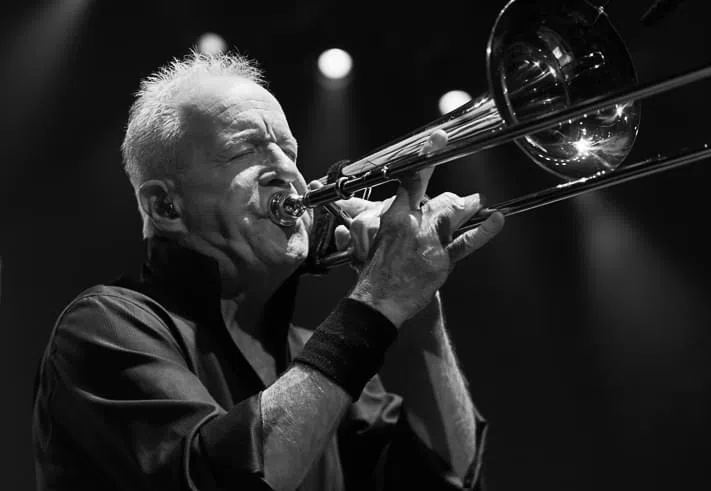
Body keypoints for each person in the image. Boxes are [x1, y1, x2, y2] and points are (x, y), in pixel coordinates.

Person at [31, 50, 505, 491]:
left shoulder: (314, 352)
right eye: (245, 151)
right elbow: (226, 480)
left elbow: (448, 480)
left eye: (289, 152)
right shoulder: (105, 326)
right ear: (165, 206)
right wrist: (380, 299)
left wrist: (419, 306)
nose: (288, 173)